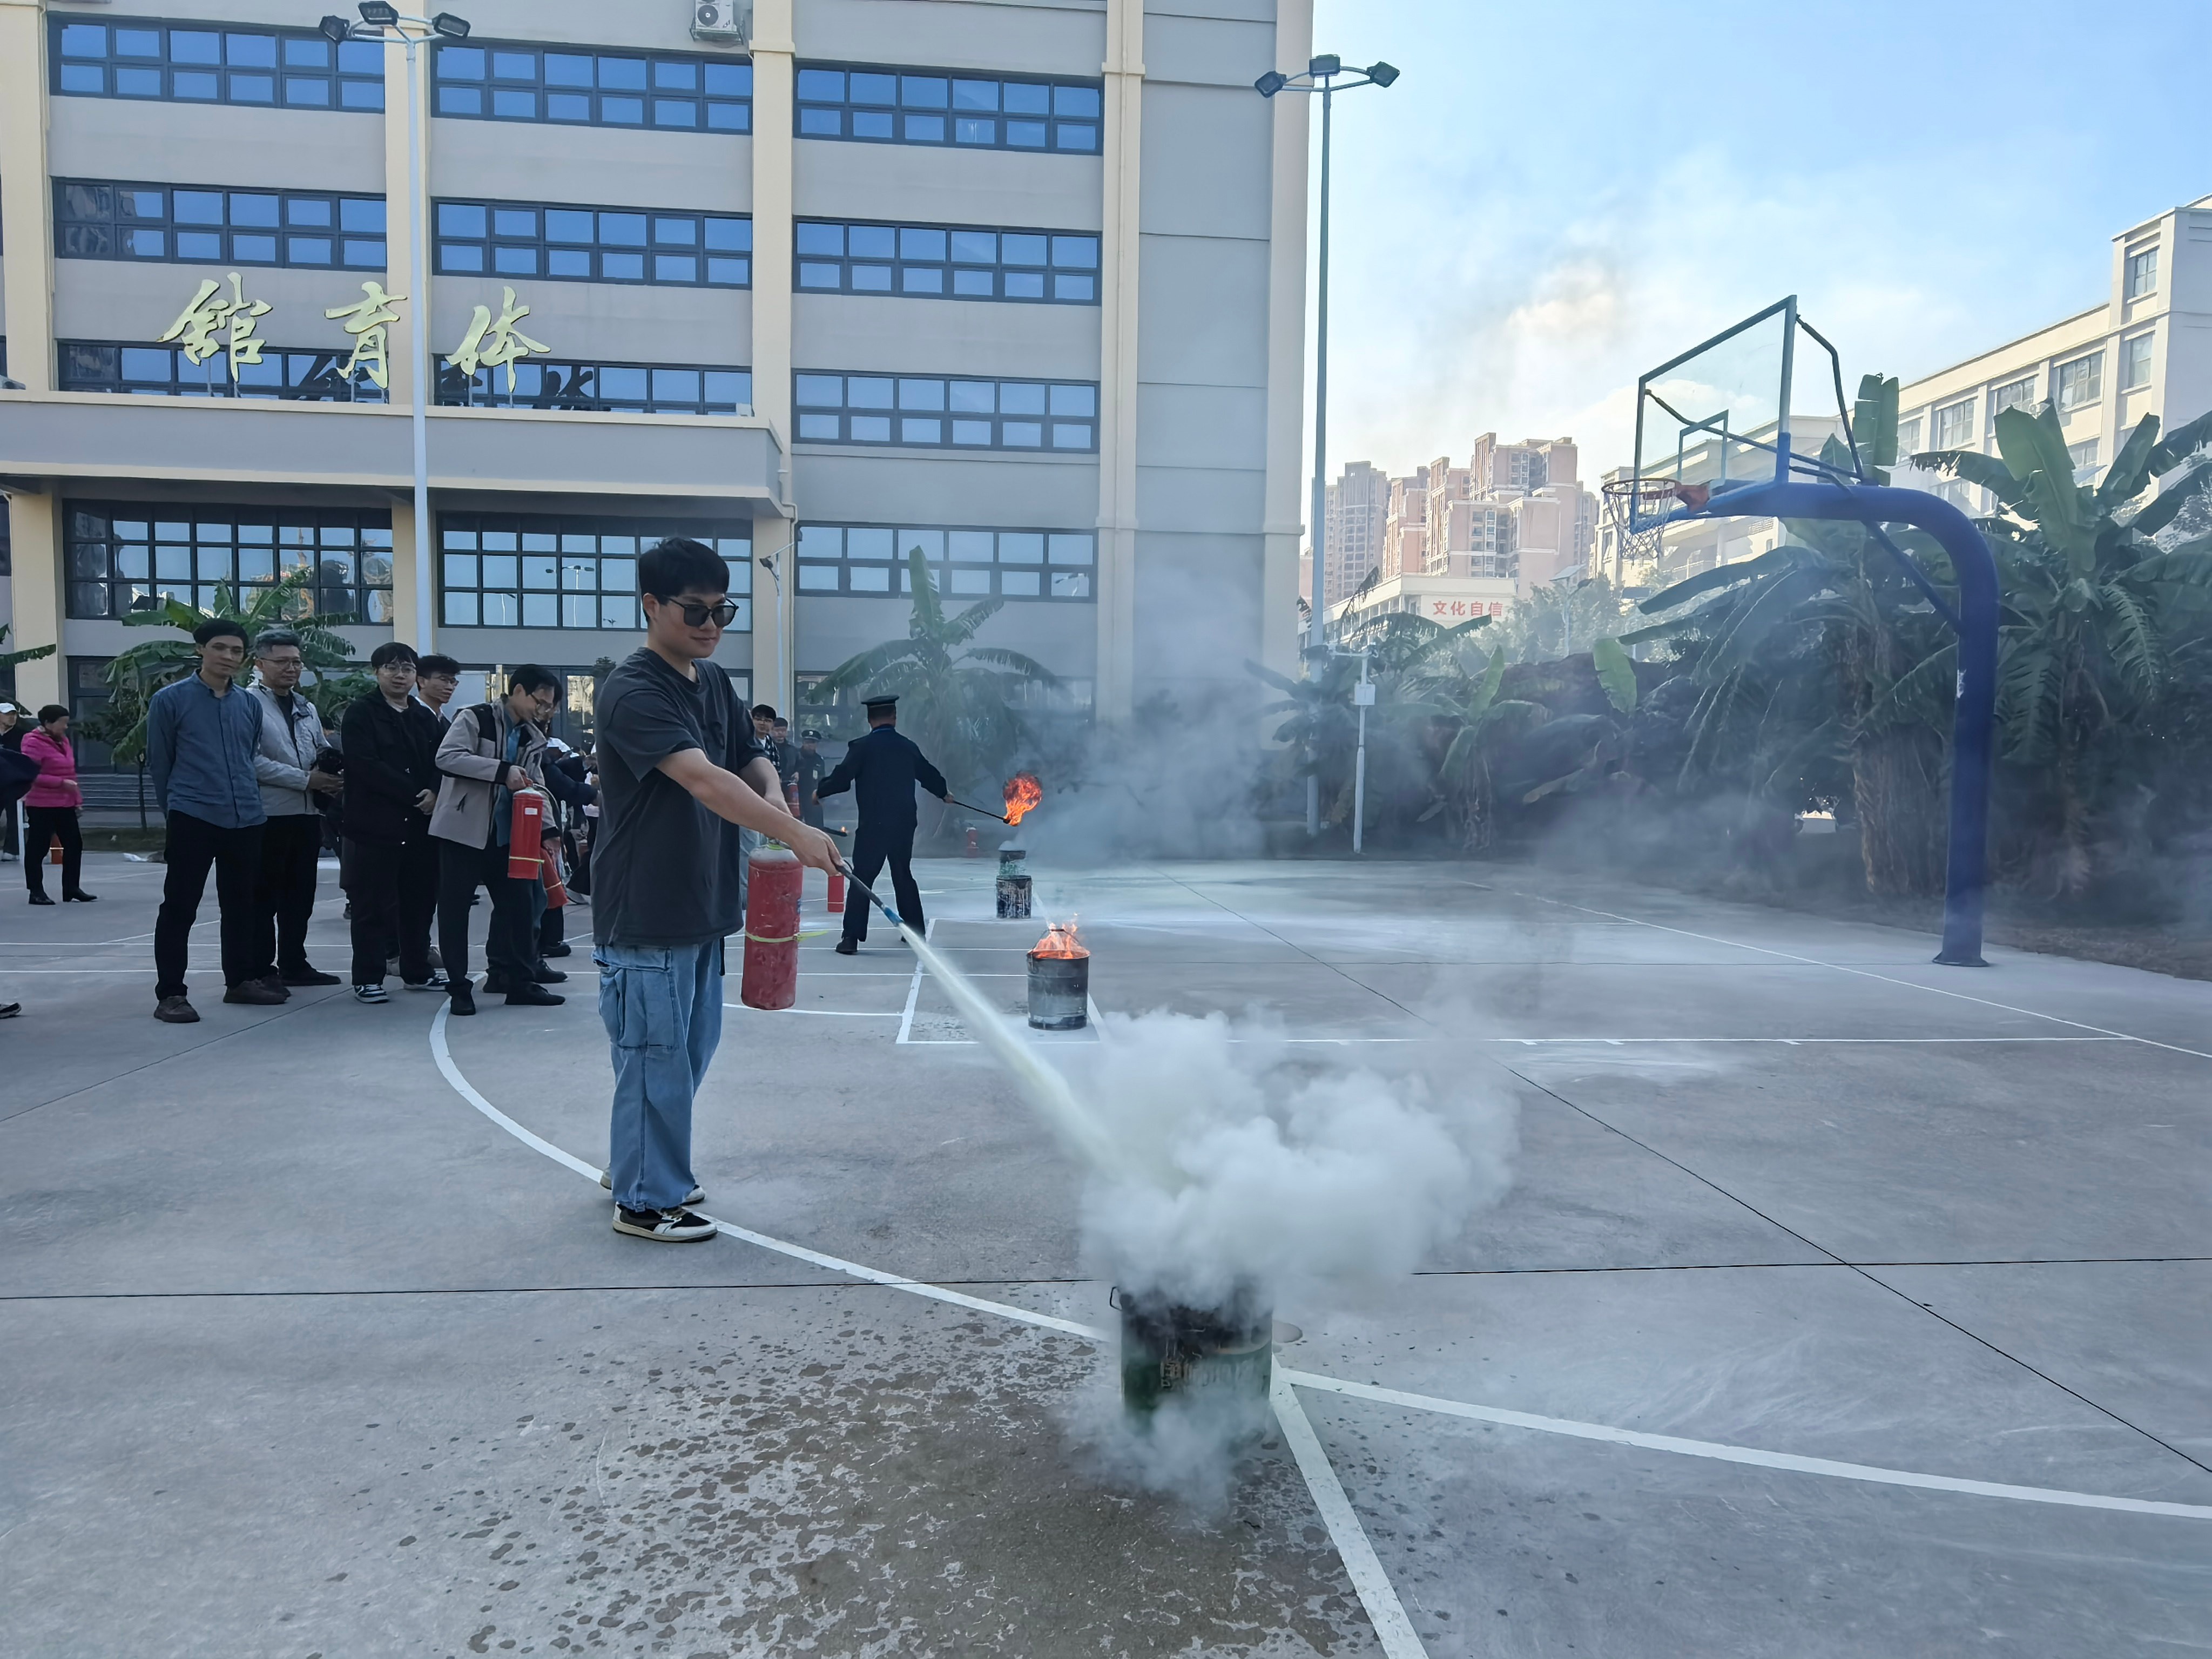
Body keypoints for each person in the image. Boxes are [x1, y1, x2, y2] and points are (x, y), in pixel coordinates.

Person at [592, 537, 839, 1242]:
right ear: (651, 605)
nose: (711, 625)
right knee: (656, 1057)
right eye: (695, 610)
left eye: (722, 611)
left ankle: (639, 1161)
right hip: (647, 908)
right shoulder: (635, 691)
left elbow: (748, 757)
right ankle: (645, 1198)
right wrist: (793, 834)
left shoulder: (712, 681)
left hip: (702, 904)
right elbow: (703, 778)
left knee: (687, 1053)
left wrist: (778, 804)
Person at [146, 618, 274, 1022]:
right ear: (200, 649)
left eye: (236, 651)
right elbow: (161, 762)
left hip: (246, 817)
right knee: (180, 907)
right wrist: (174, 812)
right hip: (194, 814)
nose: (228, 657)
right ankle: (171, 994)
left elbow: (248, 757)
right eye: (220, 647)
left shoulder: (248, 704)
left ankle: (240, 982)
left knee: (242, 906)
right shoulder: (170, 700)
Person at [431, 664, 562, 1015]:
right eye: (539, 702)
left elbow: (536, 784)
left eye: (549, 706)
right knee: (455, 911)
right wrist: (502, 772)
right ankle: (459, 988)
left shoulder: (532, 736)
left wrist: (548, 831)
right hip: (463, 831)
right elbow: (447, 757)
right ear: (517, 691)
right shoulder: (475, 718)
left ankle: (518, 982)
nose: (542, 710)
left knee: (520, 908)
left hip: (510, 836)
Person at [340, 641, 447, 1002]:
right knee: (372, 906)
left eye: (407, 669)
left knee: (419, 903)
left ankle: (417, 971)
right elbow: (364, 765)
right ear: (377, 672)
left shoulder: (423, 717)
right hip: (376, 826)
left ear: (416, 676)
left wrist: (435, 791)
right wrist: (416, 793)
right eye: (391, 668)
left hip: (420, 826)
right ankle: (368, 977)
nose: (400, 675)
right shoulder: (361, 713)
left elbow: (443, 760)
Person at [244, 629, 342, 990]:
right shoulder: (247, 703)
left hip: (307, 814)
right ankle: (260, 969)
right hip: (268, 815)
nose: (291, 669)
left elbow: (317, 748)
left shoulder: (306, 706)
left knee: (300, 896)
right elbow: (251, 761)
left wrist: (331, 771)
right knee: (264, 897)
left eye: (297, 662)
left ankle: (294, 963)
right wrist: (305, 780)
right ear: (259, 663)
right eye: (282, 661)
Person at [815, 694, 949, 955]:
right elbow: (927, 773)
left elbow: (842, 778)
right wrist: (944, 792)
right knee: (902, 874)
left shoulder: (862, 748)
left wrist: (820, 791)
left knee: (863, 877)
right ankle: (915, 933)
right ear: (894, 718)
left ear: (869, 720)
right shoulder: (907, 747)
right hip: (903, 823)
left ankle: (850, 938)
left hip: (873, 824)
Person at [21, 705, 93, 905]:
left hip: (65, 803)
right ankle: (36, 891)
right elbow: (30, 774)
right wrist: (60, 783)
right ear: (48, 723)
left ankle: (71, 888)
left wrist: (77, 800)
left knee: (74, 844)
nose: (65, 727)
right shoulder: (32, 742)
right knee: (39, 847)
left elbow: (70, 773)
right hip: (42, 804)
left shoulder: (63, 740)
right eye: (62, 723)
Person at [0, 701, 25, 861]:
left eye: (14, 715)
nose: (12, 718)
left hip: (14, 782)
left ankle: (13, 849)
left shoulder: (22, 735)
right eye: (8, 715)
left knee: (15, 816)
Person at [415, 653, 460, 732]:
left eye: (452, 682)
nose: (450, 688)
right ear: (422, 681)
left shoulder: (445, 722)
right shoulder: (410, 716)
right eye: (444, 680)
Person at [792, 729, 827, 830]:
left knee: (816, 827)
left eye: (812, 742)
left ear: (817, 744)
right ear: (803, 742)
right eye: (807, 742)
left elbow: (822, 778)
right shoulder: (795, 756)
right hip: (797, 796)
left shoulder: (819, 760)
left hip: (813, 797)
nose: (810, 745)